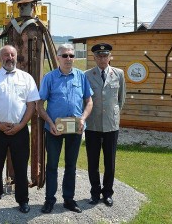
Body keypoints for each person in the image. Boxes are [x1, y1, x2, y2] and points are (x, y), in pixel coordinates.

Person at [0, 45, 40, 214]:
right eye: (6, 55)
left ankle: (22, 200)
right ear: (0, 58)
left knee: (20, 166)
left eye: (12, 55)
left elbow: (31, 105)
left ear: (16, 57)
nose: (9, 57)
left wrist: (20, 125)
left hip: (20, 130)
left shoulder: (26, 78)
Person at [37, 43, 93, 214]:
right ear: (58, 58)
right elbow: (39, 104)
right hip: (54, 130)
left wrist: (83, 119)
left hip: (75, 130)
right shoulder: (50, 77)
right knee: (52, 165)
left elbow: (89, 101)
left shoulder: (81, 77)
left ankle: (69, 199)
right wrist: (50, 123)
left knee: (71, 165)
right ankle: (49, 200)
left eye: (71, 55)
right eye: (65, 55)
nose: (68, 59)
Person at [84, 43, 126, 207]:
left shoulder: (119, 74)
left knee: (110, 161)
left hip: (111, 124)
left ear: (110, 57)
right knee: (92, 161)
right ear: (94, 58)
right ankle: (95, 193)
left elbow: (121, 99)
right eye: (99, 56)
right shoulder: (87, 75)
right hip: (93, 124)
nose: (102, 59)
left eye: (105, 55)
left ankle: (107, 193)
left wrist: (113, 113)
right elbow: (85, 99)